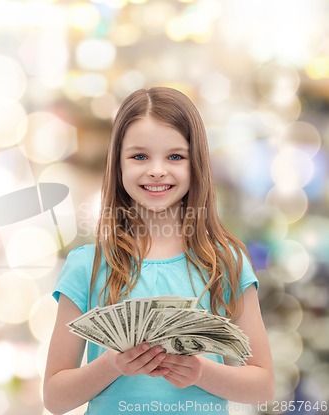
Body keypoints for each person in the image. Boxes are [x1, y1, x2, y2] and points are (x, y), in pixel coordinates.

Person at [43, 87, 274, 415]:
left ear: (196, 165)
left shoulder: (224, 262)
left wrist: (201, 372)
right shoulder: (88, 265)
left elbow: (262, 386)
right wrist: (112, 364)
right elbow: (54, 398)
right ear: (117, 164)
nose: (156, 170)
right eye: (139, 156)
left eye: (175, 156)